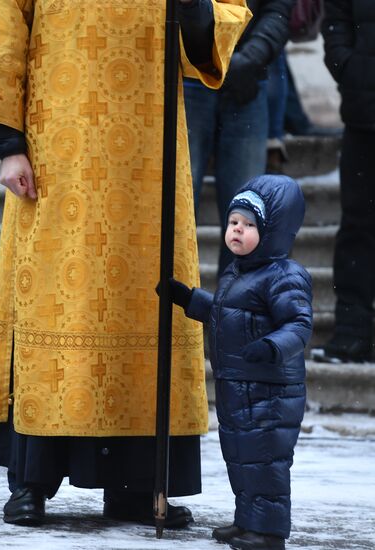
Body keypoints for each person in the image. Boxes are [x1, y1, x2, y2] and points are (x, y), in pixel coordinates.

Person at [0, 0, 251, 526]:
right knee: (53, 307)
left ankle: (138, 485)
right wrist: (8, 144)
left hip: (146, 156)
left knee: (142, 309)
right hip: (55, 153)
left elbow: (219, 22)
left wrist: (195, 9)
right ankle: (32, 480)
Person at [163, 174, 313, 549]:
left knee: (266, 464)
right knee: (242, 459)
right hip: (237, 385)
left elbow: (299, 324)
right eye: (233, 223)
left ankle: (268, 532)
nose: (237, 231)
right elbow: (226, 313)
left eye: (248, 225)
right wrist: (189, 299)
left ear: (273, 231)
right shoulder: (238, 273)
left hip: (271, 390)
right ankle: (247, 521)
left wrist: (273, 347)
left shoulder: (284, 276)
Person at [183, 0, 296, 276]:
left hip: (246, 78)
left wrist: (249, 58)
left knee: (247, 216)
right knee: (178, 205)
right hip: (189, 74)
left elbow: (278, 10)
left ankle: (233, 310)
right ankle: (172, 308)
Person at [311, 0, 375, 363]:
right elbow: (335, 22)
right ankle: (352, 332)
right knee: (357, 229)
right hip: (364, 118)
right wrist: (351, 69)